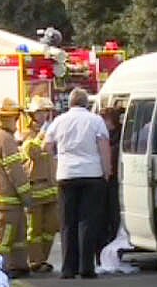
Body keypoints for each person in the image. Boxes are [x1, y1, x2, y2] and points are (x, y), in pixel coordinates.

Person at [44, 87, 112, 280]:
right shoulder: (95, 120)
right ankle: (86, 268)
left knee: (67, 223)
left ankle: (68, 269)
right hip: (92, 174)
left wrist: (57, 161)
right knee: (87, 222)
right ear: (86, 103)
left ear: (70, 103)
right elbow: (103, 147)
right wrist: (106, 170)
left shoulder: (59, 121)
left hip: (66, 175)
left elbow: (46, 144)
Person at [0, 98, 33, 278]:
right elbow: (15, 171)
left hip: (4, 196)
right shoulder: (5, 138)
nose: (17, 122)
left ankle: (18, 265)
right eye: (15, 118)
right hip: (8, 197)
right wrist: (26, 194)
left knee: (18, 233)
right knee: (3, 235)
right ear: (6, 118)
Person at [21, 96, 58, 273]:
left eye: (46, 112)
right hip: (35, 187)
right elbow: (33, 152)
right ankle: (35, 261)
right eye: (41, 112)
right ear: (33, 115)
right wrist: (43, 134)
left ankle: (43, 258)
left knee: (51, 227)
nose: (44, 115)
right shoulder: (27, 134)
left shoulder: (52, 133)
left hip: (51, 187)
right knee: (34, 229)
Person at [97, 106, 123, 261]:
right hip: (104, 183)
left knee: (113, 218)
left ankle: (111, 251)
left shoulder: (117, 138)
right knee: (104, 219)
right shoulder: (106, 136)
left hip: (112, 182)